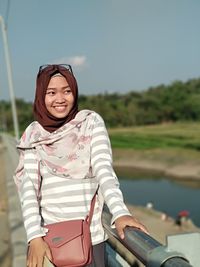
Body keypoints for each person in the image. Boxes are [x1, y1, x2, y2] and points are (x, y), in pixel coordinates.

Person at [13, 64, 148, 267]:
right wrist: (34, 237)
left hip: (91, 239)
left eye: (67, 91)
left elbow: (104, 170)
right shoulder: (33, 135)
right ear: (41, 96)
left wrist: (120, 212)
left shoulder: (90, 123)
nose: (60, 99)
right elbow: (29, 189)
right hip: (49, 242)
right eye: (51, 93)